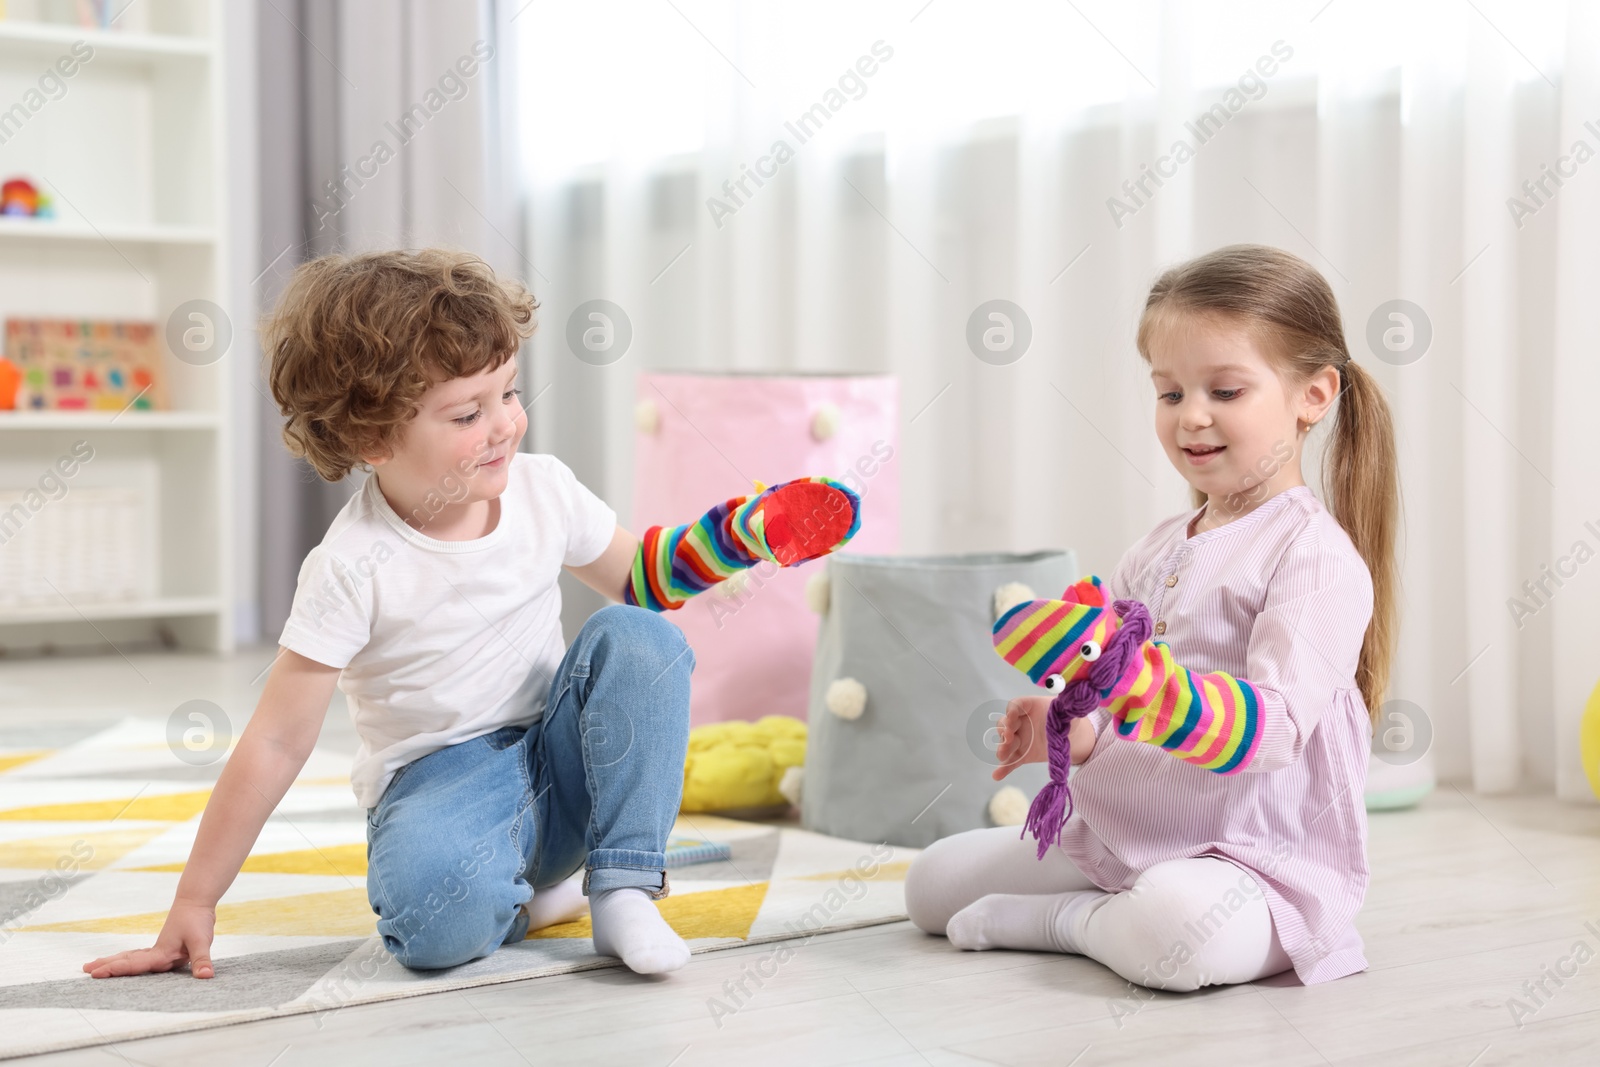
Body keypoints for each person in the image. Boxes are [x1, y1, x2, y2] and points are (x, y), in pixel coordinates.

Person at [82, 249, 859, 980]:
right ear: (372, 437)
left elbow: (645, 578)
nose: (507, 425)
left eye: (509, 393)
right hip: (442, 784)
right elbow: (278, 739)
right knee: (431, 931)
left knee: (641, 638)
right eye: (467, 414)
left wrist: (745, 532)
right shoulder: (350, 566)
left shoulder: (542, 487)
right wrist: (195, 899)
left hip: (565, 750)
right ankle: (538, 892)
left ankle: (621, 888)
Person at [905, 243, 1398, 992]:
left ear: (1315, 395)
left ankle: (1064, 923)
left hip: (1250, 855)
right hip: (1131, 829)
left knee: (1175, 935)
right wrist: (1074, 728)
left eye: (1225, 390)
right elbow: (1111, 701)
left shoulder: (1315, 558)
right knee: (931, 884)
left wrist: (1146, 688)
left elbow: (1273, 731)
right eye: (1170, 394)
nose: (1191, 416)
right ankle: (1107, 900)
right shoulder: (1157, 547)